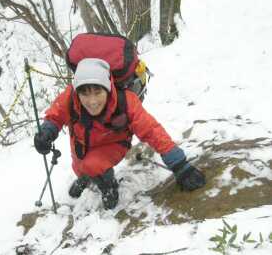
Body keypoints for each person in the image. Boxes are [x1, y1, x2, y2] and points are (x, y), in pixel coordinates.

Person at [34, 58, 206, 210]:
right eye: (84, 93)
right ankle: (84, 177)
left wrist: (179, 165)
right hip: (80, 143)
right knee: (79, 165)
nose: (92, 101)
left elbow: (152, 130)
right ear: (77, 91)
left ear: (108, 89)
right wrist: (46, 132)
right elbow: (56, 115)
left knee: (93, 165)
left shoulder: (126, 102)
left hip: (113, 143)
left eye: (97, 92)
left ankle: (108, 184)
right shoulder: (70, 97)